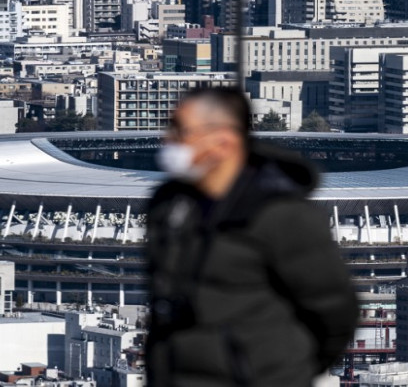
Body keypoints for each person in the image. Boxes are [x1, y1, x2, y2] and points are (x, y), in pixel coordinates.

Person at [146, 86, 359, 387]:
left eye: (180, 131)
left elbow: (335, 311)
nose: (168, 140)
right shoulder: (169, 206)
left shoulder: (281, 214)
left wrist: (284, 371)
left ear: (223, 140)